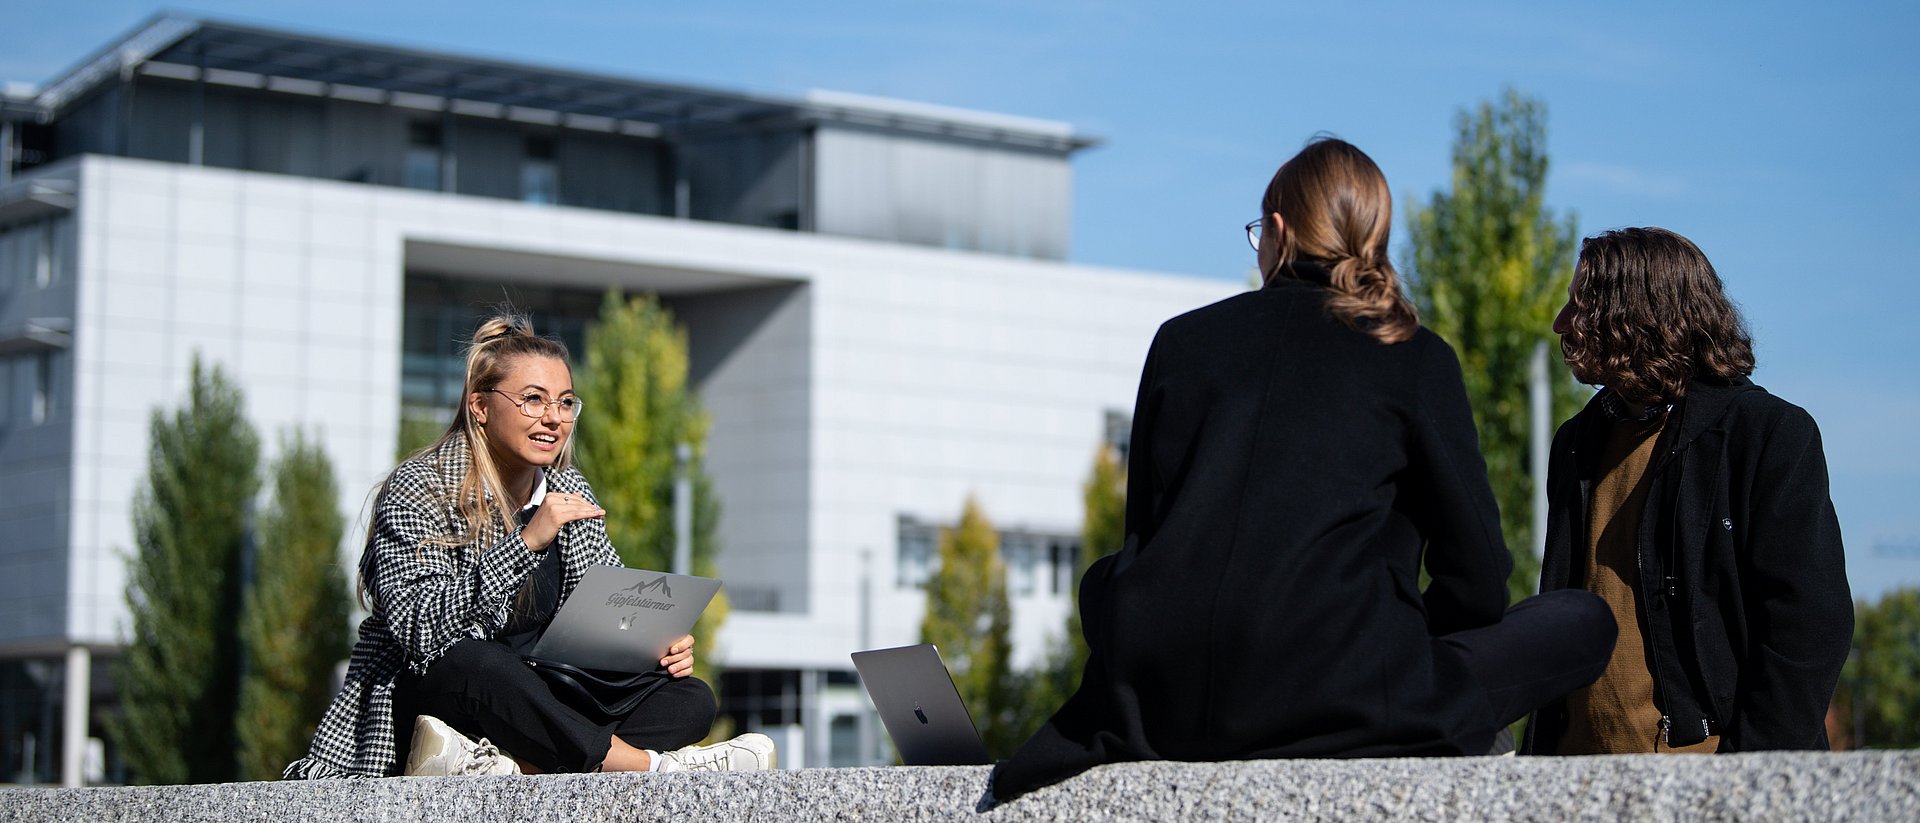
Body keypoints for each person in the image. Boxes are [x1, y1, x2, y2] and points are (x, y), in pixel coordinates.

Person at [989, 137, 1616, 802]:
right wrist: (1395, 642)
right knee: (1581, 619)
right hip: (1343, 696)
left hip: (1164, 702)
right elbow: (1481, 577)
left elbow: (1145, 538)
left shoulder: (1181, 340)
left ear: (1280, 233)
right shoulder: (1412, 352)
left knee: (1101, 580)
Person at [285, 310, 773, 778]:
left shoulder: (570, 491)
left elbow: (608, 610)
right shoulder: (420, 485)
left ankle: (512, 765)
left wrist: (655, 646)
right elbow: (418, 628)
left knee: (690, 698)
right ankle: (648, 767)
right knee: (481, 663)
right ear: (480, 406)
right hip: (438, 691)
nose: (553, 419)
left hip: (540, 694)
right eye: (533, 400)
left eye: (564, 402)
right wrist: (527, 541)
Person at [1523, 227, 1852, 755]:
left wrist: (1748, 775)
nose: (1562, 324)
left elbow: (1810, 625)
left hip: (1712, 783)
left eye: (1580, 307)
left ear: (1636, 314)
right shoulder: (1576, 444)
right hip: (1574, 784)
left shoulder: (1767, 435)